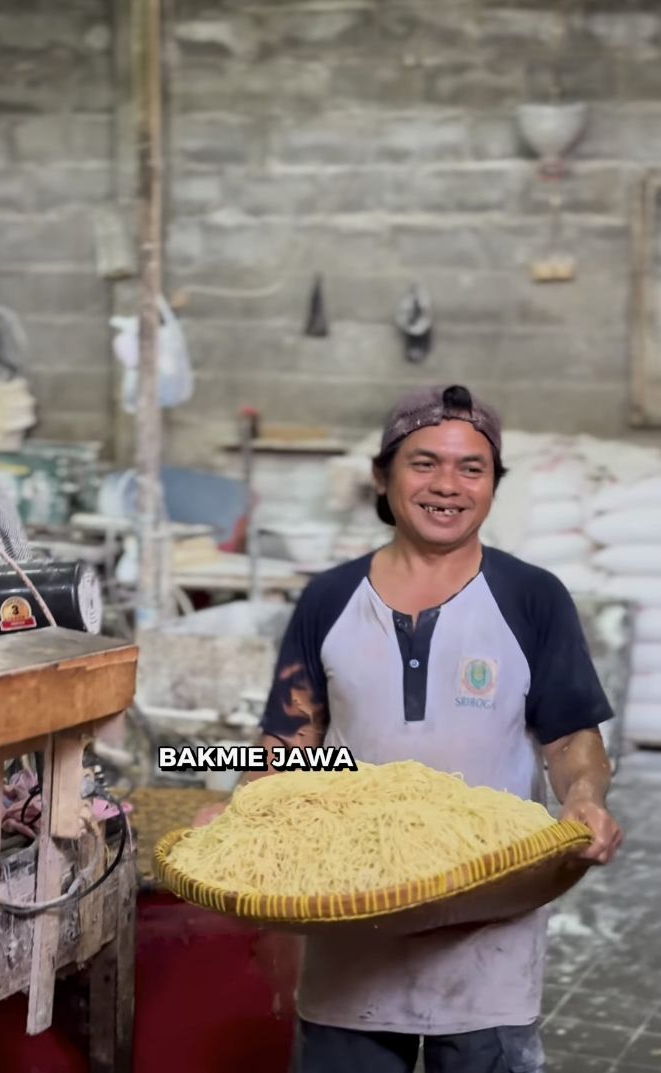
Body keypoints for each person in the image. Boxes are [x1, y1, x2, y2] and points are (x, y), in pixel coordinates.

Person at [195, 384, 622, 1073]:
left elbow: (571, 738)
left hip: (488, 927)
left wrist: (583, 798)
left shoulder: (530, 596)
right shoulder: (330, 598)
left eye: (471, 468)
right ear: (383, 476)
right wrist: (247, 812)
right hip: (352, 922)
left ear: (491, 485)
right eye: (423, 463)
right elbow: (293, 747)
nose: (446, 485)